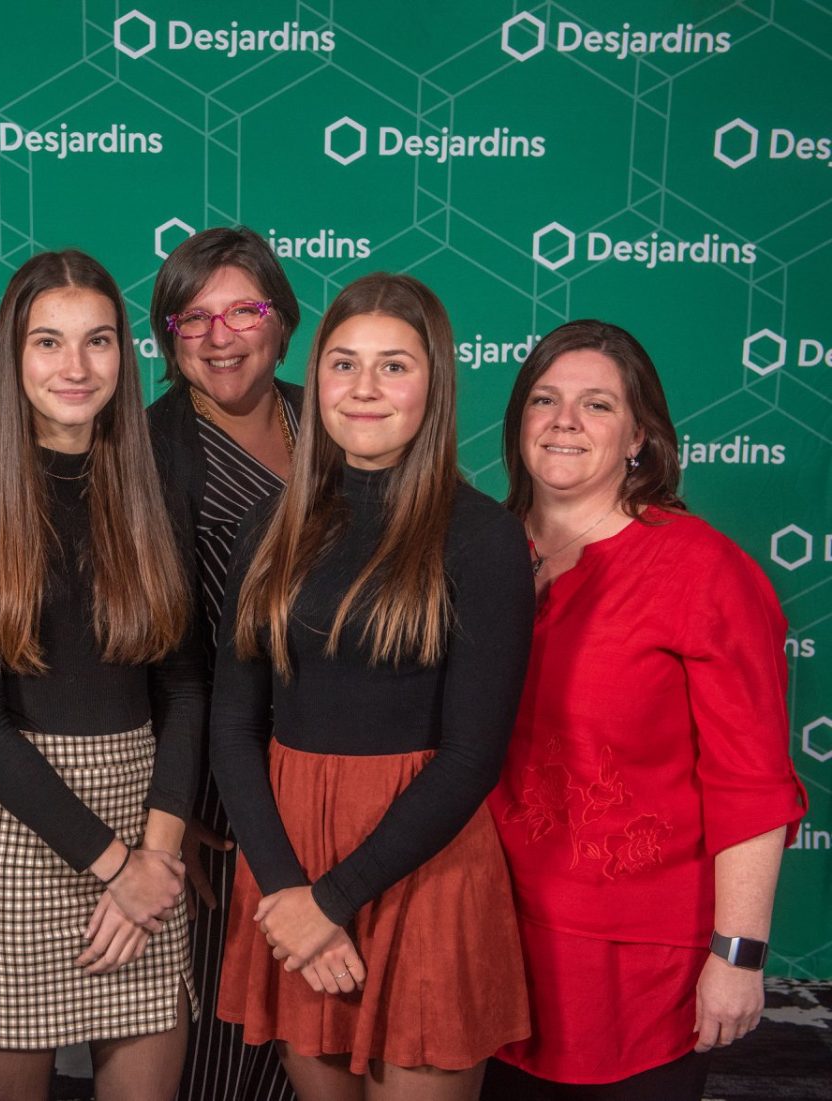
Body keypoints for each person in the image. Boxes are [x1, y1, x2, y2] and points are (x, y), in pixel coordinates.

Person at [211, 272, 534, 1101]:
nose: (364, 388)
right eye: (344, 363)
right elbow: (232, 725)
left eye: (394, 365)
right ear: (314, 377)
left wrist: (333, 899)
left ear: (435, 382)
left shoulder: (482, 536)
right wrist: (289, 892)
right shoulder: (268, 526)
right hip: (291, 858)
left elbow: (471, 758)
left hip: (421, 867)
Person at [481, 320, 808, 1101]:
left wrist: (738, 953)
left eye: (597, 405)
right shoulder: (476, 549)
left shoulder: (705, 572)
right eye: (545, 400)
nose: (564, 421)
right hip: (484, 946)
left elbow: (752, 782)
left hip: (635, 968)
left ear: (639, 437)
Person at [0, 250, 204, 1100]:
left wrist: (153, 858)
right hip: (22, 842)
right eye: (48, 342)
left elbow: (188, 688)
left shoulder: (157, 489)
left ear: (126, 354)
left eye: (98, 342)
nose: (75, 368)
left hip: (150, 828)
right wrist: (115, 865)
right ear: (13, 357)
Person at [146, 225, 303, 1101]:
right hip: (208, 793)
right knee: (223, 1041)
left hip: (335, 774)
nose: (219, 335)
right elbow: (130, 654)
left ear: (280, 320)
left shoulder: (332, 418)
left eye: (241, 310)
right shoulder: (143, 450)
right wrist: (163, 813)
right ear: (168, 339)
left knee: (321, 1032)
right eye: (191, 317)